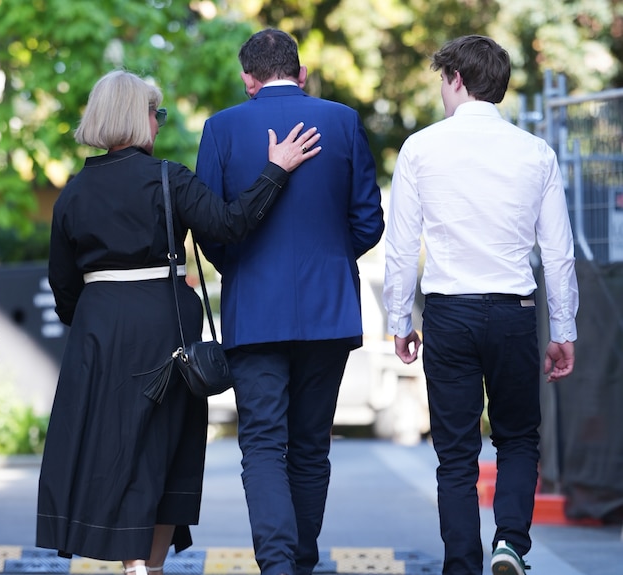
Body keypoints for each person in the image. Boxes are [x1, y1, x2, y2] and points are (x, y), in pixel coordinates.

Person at [36, 69, 321, 575]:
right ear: (137, 117)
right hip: (165, 328)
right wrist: (274, 170)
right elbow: (231, 225)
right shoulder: (169, 178)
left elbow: (63, 284)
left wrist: (93, 331)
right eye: (156, 113)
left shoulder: (74, 193)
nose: (159, 123)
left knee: (116, 452)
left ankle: (136, 568)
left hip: (99, 332)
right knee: (165, 450)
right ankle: (147, 567)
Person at [382, 35, 578, 575]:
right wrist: (564, 329)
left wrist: (400, 319)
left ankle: (461, 564)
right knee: (518, 437)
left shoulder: (420, 148)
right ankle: (510, 543)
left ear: (457, 79)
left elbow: (401, 247)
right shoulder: (535, 152)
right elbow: (558, 254)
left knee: (455, 454)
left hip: (449, 314)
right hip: (514, 311)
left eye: (442, 81)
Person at [195, 29, 385, 575]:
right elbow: (368, 220)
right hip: (330, 311)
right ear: (300, 74)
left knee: (261, 445)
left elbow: (209, 227)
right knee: (310, 445)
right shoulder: (344, 121)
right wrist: (329, 258)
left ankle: (277, 565)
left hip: (253, 311)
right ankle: (300, 561)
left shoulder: (221, 128)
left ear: (247, 79)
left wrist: (243, 268)